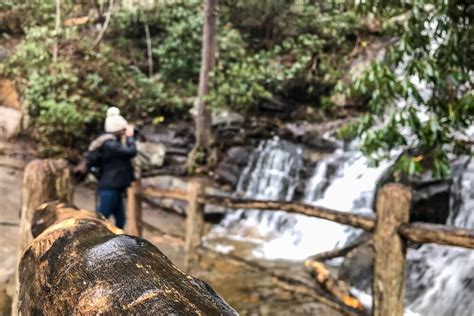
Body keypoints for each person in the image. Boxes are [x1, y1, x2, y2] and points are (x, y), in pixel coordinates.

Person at [90, 107, 137, 229]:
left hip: (116, 187)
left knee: (121, 221)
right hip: (109, 187)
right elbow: (131, 152)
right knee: (101, 220)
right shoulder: (110, 145)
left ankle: (117, 245)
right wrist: (130, 137)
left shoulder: (111, 142)